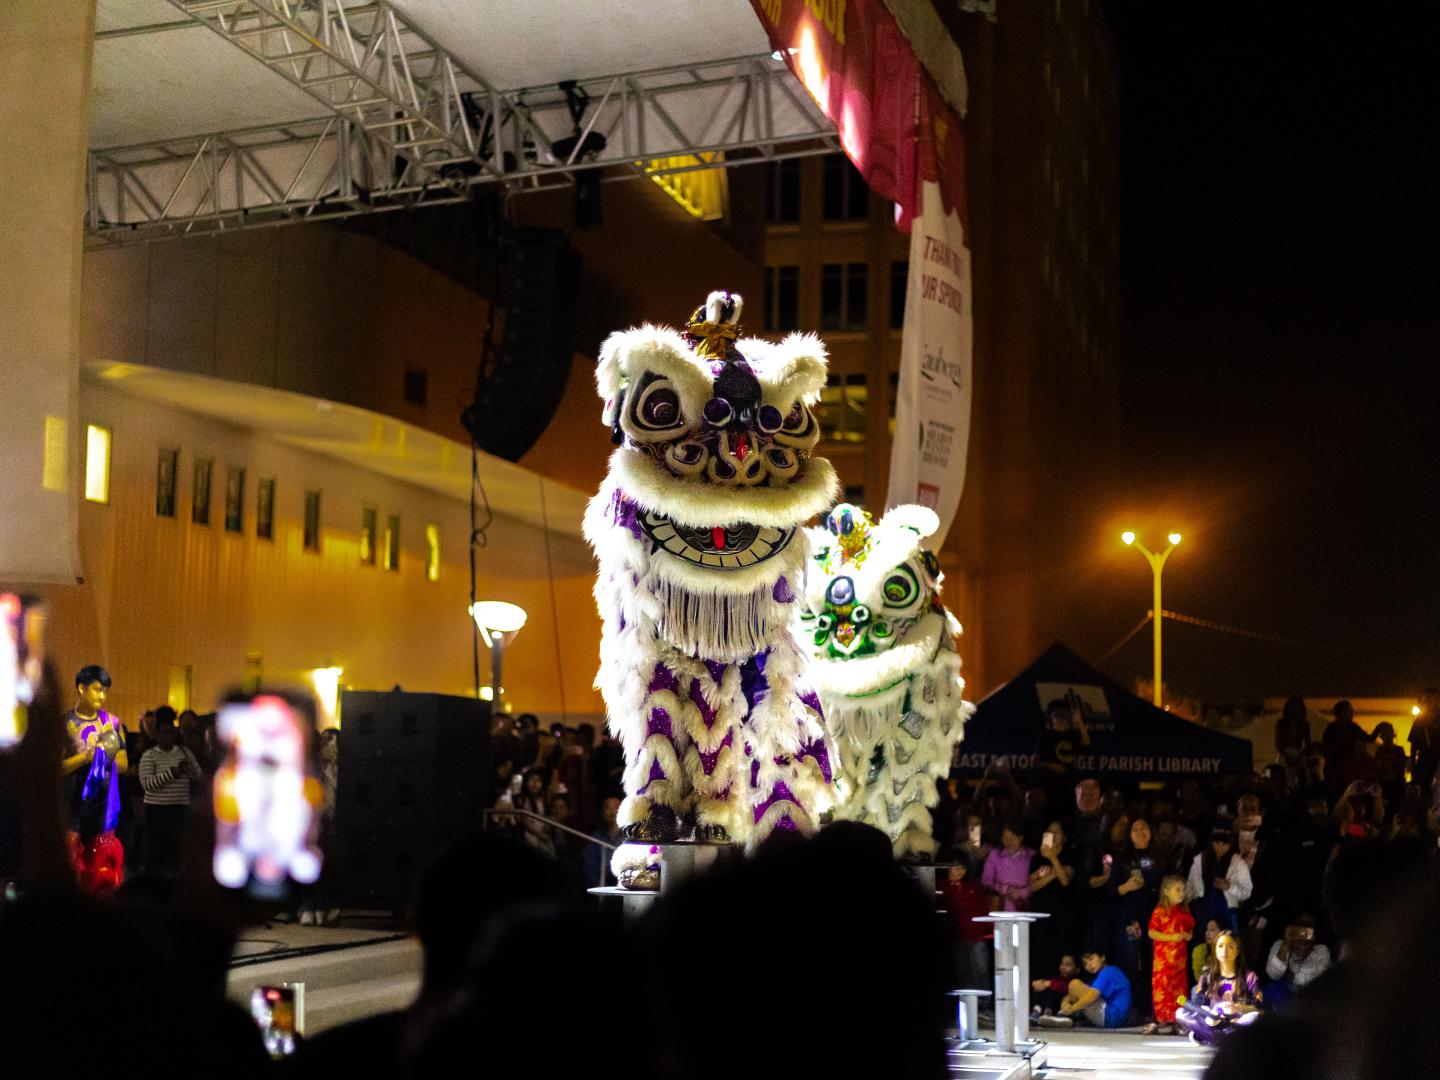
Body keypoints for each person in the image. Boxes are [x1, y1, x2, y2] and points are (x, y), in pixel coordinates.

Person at [62, 664, 128, 893]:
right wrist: (86, 757)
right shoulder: (65, 723)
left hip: (102, 803)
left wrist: (105, 756)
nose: (102, 696)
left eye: (105, 691)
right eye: (97, 689)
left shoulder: (112, 723)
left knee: (102, 864)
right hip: (72, 802)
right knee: (71, 861)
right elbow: (56, 768)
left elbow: (123, 764)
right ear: (82, 688)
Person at [137, 707, 201, 877]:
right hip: (157, 809)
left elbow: (198, 775)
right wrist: (172, 773)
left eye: (170, 733)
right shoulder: (149, 755)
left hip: (180, 808)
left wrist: (189, 772)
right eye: (163, 733)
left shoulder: (184, 752)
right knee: (157, 851)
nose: (167, 737)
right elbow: (147, 784)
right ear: (157, 735)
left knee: (177, 851)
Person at [1109, 816, 1162, 1010]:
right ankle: (1132, 1005)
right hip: (1129, 916)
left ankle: (1151, 1006)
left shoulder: (1159, 856)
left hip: (1154, 916)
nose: (1139, 832)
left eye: (1143, 828)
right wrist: (1126, 887)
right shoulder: (1122, 858)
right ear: (1129, 834)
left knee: (1151, 960)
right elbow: (1111, 891)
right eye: (1135, 829)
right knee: (1131, 959)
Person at [1175, 929, 1261, 1044]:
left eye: (1230, 947)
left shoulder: (1249, 977)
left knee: (1255, 1017)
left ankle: (1210, 1037)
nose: (1224, 951)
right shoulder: (1206, 977)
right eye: (1220, 946)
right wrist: (1210, 1015)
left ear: (1237, 951)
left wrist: (1238, 1008)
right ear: (1215, 950)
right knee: (1181, 1013)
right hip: (1212, 1022)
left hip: (1236, 1021)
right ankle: (1220, 1038)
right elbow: (1200, 1005)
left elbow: (1258, 1007)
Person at [1145, 874, 1195, 1035]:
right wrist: (1171, 937)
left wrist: (1187, 936)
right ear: (1166, 891)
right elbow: (1152, 932)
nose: (1182, 893)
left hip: (1179, 963)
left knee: (1179, 990)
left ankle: (1177, 1020)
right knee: (1162, 989)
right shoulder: (1159, 911)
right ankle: (1160, 1019)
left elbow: (1190, 931)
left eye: (1183, 890)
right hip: (1163, 962)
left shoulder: (1184, 912)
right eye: (1178, 890)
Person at [1028, 820, 1076, 977]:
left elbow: (1065, 880)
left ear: (1064, 837)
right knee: (1041, 953)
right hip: (1040, 912)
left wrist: (1053, 858)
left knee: (1059, 954)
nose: (1053, 836)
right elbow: (1031, 885)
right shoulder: (1036, 857)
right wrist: (1053, 874)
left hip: (1061, 913)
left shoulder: (1069, 855)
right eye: (1050, 832)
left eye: (1057, 832)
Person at [1042, 947, 1132, 1029]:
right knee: (1071, 994)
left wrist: (1072, 1009)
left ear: (1103, 957)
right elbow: (1071, 996)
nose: (1089, 965)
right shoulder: (1100, 975)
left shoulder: (1109, 971)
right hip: (1110, 1017)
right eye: (1085, 963)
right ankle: (1063, 1015)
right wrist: (1066, 1003)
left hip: (1111, 1015)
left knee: (1074, 984)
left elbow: (1092, 996)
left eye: (1091, 959)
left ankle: (1064, 1015)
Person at [1185, 825, 1252, 929]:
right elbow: (1190, 886)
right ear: (1211, 842)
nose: (1220, 847)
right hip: (1201, 911)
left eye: (1225, 844)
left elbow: (1246, 892)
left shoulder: (1238, 863)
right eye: (1217, 843)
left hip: (1225, 913)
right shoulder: (1200, 859)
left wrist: (1229, 887)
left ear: (1230, 843)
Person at [941, 860, 993, 989]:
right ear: (948, 868)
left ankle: (983, 1004)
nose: (960, 871)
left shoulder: (973, 887)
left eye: (963, 868)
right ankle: (966, 1005)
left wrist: (989, 929)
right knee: (962, 970)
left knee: (981, 969)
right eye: (956, 867)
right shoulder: (939, 886)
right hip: (955, 935)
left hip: (975, 933)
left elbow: (983, 909)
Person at [1262, 913, 1330, 1007]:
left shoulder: (1321, 950)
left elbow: (1309, 982)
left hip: (1310, 999)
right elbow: (1273, 974)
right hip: (1285, 998)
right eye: (1301, 924)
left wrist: (1288, 974)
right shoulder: (1280, 944)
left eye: (1309, 925)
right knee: (1271, 990)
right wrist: (1286, 943)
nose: (1304, 929)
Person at [980, 821, 1033, 912]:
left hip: (1022, 910)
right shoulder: (995, 855)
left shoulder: (1030, 856)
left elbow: (1037, 882)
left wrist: (1022, 892)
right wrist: (1003, 889)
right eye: (1005, 838)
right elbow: (986, 881)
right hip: (999, 909)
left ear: (1020, 838)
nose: (1008, 842)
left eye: (1012, 838)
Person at [1321, 700, 1366, 797]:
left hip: (1347, 767)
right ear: (1341, 712)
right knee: (1336, 793)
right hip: (1335, 766)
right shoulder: (1333, 728)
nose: (1352, 713)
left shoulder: (1353, 727)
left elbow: (1366, 738)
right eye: (1349, 711)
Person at [582, 795, 623, 887]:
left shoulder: (631, 836)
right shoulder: (595, 838)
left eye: (616, 807)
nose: (613, 811)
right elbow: (590, 868)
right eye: (608, 808)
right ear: (602, 813)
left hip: (627, 885)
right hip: (603, 885)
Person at [1274, 697, 1312, 792]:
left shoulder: (1304, 725)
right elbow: (1278, 743)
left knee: (1299, 781)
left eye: (1297, 707)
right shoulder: (1281, 724)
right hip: (1284, 754)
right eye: (1293, 706)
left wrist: (1300, 756)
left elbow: (1308, 744)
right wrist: (1286, 756)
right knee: (1283, 780)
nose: (1295, 709)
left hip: (1298, 753)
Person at [1410, 689, 1440, 795]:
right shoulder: (1419, 722)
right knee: (1424, 792)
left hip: (1437, 763)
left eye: (1434, 699)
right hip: (1424, 763)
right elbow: (1413, 746)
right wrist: (1413, 765)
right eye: (1428, 700)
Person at [1371, 722, 1407, 807]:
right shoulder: (1380, 751)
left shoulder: (1398, 750)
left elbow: (1401, 766)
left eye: (1387, 733)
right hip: (1385, 784)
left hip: (1395, 784)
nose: (1386, 736)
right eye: (1384, 733)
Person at [1031, 954, 1079, 1018]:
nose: (1063, 967)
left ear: (1077, 970)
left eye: (1068, 965)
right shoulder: (1056, 979)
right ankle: (1038, 1011)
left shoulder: (1077, 981)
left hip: (1064, 1007)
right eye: (1062, 964)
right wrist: (1038, 985)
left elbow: (1067, 987)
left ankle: (1061, 1014)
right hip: (1051, 1006)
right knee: (1047, 991)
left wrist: (1050, 983)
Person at [1192, 917, 1223, 983]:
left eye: (1212, 929)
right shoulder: (1199, 950)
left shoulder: (1229, 949)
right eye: (1206, 929)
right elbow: (1198, 977)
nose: (1207, 933)